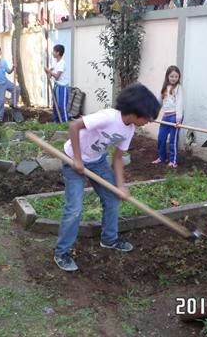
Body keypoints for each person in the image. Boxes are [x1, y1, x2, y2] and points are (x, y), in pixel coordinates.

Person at [54, 83, 161, 272]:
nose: (149, 121)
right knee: (74, 208)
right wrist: (78, 159)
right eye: (148, 117)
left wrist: (120, 185)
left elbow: (118, 158)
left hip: (97, 161)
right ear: (137, 112)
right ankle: (62, 252)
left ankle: (109, 239)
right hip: (73, 158)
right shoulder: (108, 117)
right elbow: (74, 125)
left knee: (112, 198)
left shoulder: (129, 129)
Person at [152, 65, 184, 168]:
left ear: (179, 77)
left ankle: (173, 161)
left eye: (176, 76)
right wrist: (153, 114)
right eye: (172, 76)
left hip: (175, 116)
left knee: (173, 140)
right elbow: (159, 103)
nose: (174, 78)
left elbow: (179, 103)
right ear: (167, 76)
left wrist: (178, 119)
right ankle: (162, 157)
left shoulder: (179, 88)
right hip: (166, 116)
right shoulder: (164, 88)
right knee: (161, 137)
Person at [0, 45, 20, 123]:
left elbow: (8, 72)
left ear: (0, 52)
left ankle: (13, 103)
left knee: (17, 89)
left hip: (5, 82)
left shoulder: (4, 62)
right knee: (1, 101)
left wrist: (13, 67)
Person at [44, 44, 69, 122]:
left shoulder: (62, 63)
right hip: (56, 86)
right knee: (55, 106)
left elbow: (57, 76)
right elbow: (51, 72)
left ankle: (65, 124)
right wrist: (48, 72)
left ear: (58, 53)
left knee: (62, 106)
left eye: (54, 51)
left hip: (62, 87)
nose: (53, 53)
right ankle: (57, 122)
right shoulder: (56, 63)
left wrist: (49, 71)